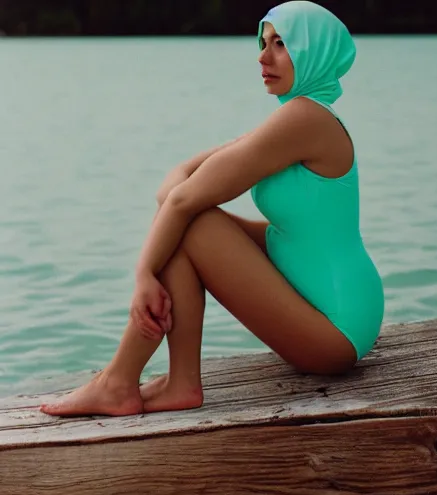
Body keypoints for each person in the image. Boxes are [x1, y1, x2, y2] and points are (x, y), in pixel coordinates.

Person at [40, 1, 384, 417]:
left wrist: (144, 273)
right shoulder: (297, 117)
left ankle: (120, 382)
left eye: (280, 44)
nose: (262, 56)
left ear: (314, 54)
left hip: (336, 330)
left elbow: (184, 197)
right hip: (334, 303)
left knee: (192, 222)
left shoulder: (304, 119)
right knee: (188, 219)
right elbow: (182, 177)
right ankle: (168, 381)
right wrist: (175, 202)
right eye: (262, 42)